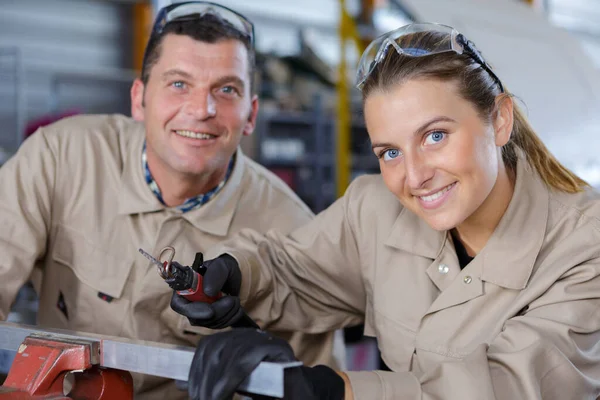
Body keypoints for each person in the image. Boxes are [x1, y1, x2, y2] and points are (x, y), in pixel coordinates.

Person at [173, 23, 600, 399]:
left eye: (435, 136)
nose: (414, 177)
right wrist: (237, 274)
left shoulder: (583, 244)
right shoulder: (375, 209)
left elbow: (511, 387)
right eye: (390, 151)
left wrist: (333, 391)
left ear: (500, 119)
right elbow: (295, 271)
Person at [0, 2, 343, 399]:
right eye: (179, 83)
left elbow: (317, 383)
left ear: (251, 114)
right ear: (138, 98)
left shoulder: (294, 234)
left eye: (226, 89)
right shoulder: (60, 157)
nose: (202, 110)